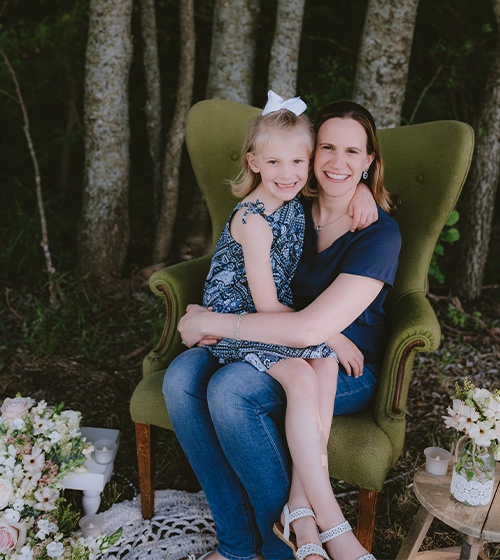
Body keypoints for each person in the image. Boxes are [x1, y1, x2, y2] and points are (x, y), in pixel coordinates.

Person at [164, 99, 401, 560]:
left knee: (232, 391)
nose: (337, 161)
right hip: (268, 333)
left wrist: (208, 319)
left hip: (347, 363)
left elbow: (313, 327)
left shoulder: (378, 233)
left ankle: (291, 540)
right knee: (179, 379)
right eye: (327, 148)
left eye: (353, 152)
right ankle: (238, 546)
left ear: (370, 160)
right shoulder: (293, 203)